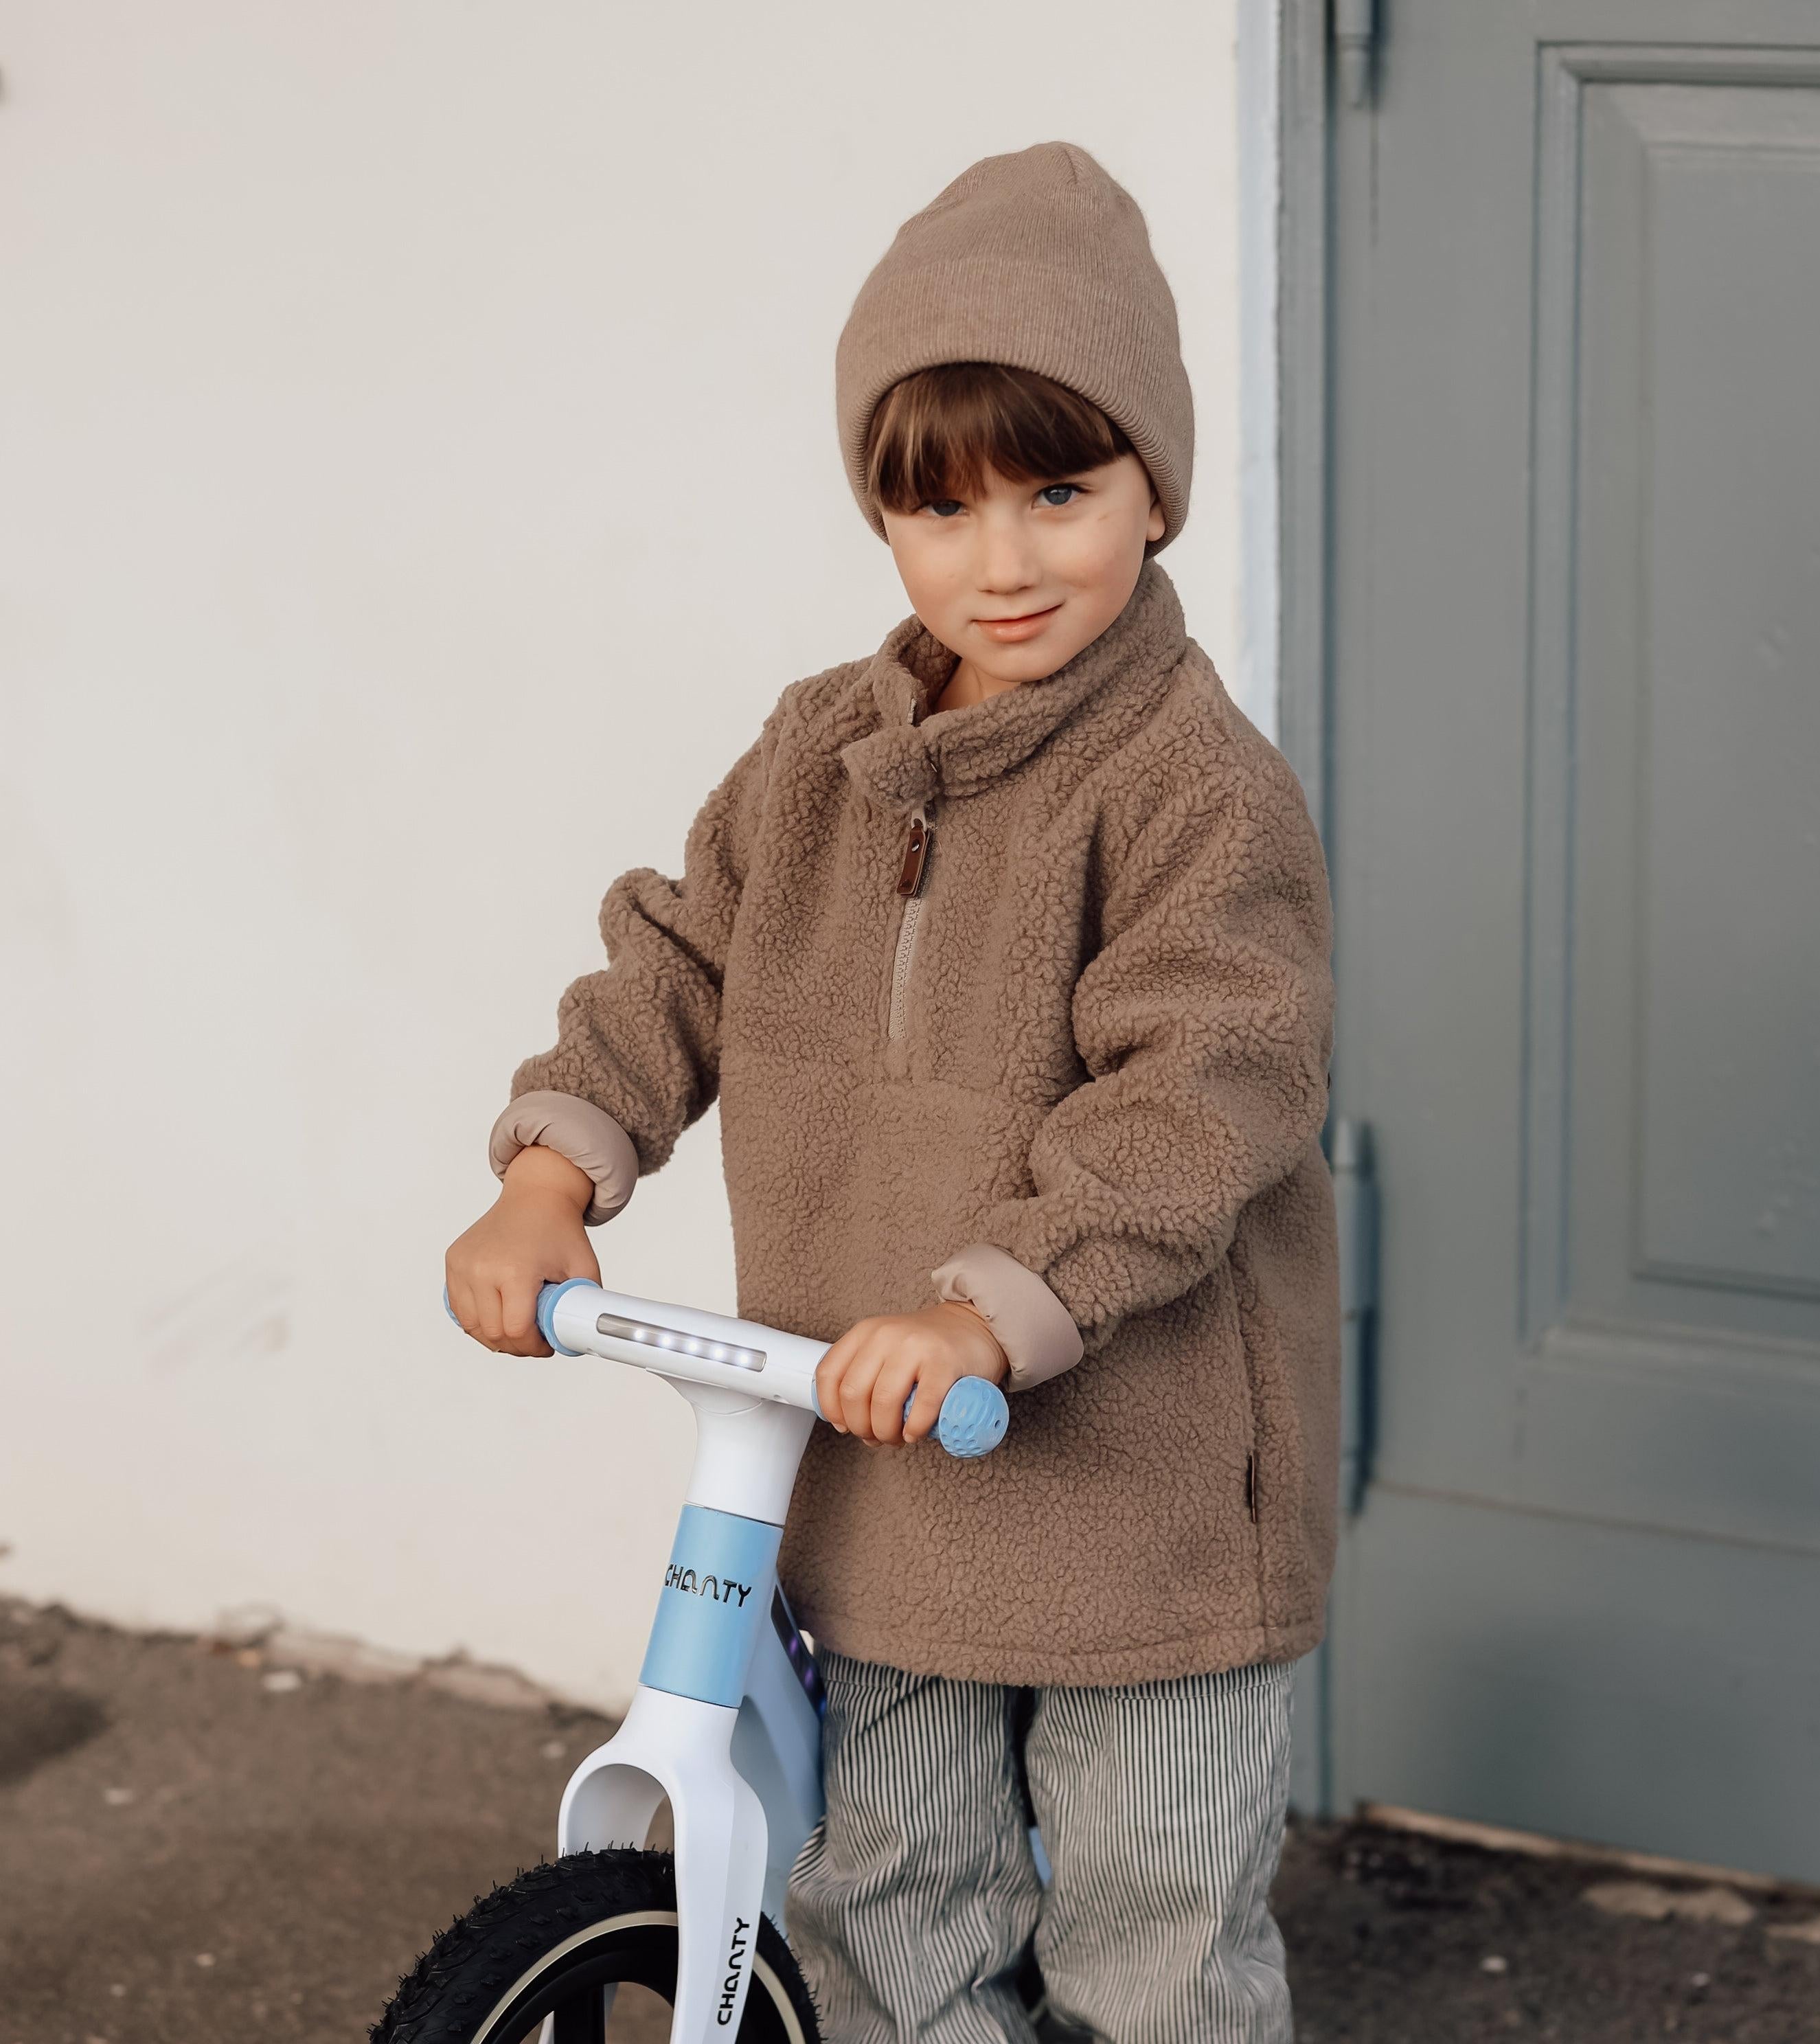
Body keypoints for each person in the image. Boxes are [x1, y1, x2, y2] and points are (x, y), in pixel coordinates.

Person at [444, 139, 1340, 2044]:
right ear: (883, 515)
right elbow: (680, 956)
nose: (1002, 562)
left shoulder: (1195, 789)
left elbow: (1205, 1093)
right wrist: (552, 1173)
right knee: (886, 1907)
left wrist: (986, 1310)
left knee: (1154, 1931)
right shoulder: (823, 755)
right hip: (878, 1482)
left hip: (1142, 1500)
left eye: (1060, 493)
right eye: (942, 509)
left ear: (1157, 491)